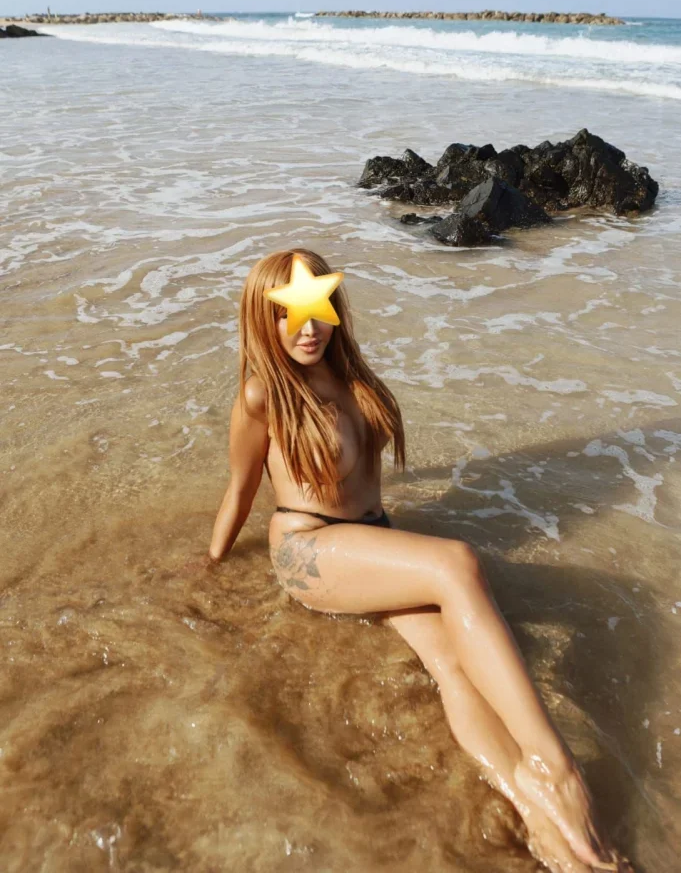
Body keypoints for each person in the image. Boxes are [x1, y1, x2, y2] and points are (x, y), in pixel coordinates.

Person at [206, 247, 633, 873]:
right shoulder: (262, 394)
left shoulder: (350, 374)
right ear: (260, 318)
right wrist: (210, 562)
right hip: (309, 547)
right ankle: (555, 765)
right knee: (456, 563)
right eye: (286, 313)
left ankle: (538, 816)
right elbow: (240, 488)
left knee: (453, 662)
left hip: (371, 540)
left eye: (316, 308)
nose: (307, 328)